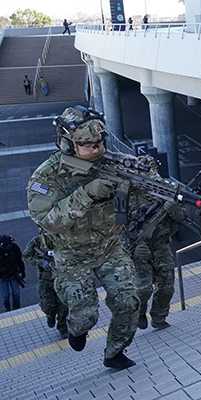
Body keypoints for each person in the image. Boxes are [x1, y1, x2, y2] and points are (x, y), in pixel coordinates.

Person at [27, 106, 140, 370]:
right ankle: (76, 328)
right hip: (71, 254)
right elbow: (46, 220)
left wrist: (141, 183)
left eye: (100, 142)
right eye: (87, 145)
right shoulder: (47, 175)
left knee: (129, 302)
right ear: (67, 144)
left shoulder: (115, 162)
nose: (97, 149)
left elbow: (139, 199)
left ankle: (115, 351)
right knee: (85, 315)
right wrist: (87, 193)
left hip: (110, 246)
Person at [125, 155, 188, 330]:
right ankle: (139, 313)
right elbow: (116, 227)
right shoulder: (128, 193)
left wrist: (173, 208)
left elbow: (183, 215)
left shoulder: (169, 189)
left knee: (167, 286)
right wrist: (132, 250)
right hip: (138, 247)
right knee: (142, 288)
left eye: (153, 171)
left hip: (161, 245)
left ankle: (159, 317)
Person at [22, 235, 69, 338]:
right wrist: (40, 262)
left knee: (64, 305)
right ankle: (50, 315)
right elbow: (25, 256)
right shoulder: (37, 241)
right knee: (48, 305)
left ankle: (62, 327)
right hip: (45, 279)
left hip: (61, 279)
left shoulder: (63, 239)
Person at [0, 235, 25, 312]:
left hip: (13, 274)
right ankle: (7, 309)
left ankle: (16, 309)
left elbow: (20, 260)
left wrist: (22, 271)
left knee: (16, 293)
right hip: (1, 276)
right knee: (5, 296)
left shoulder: (14, 247)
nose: (8, 246)